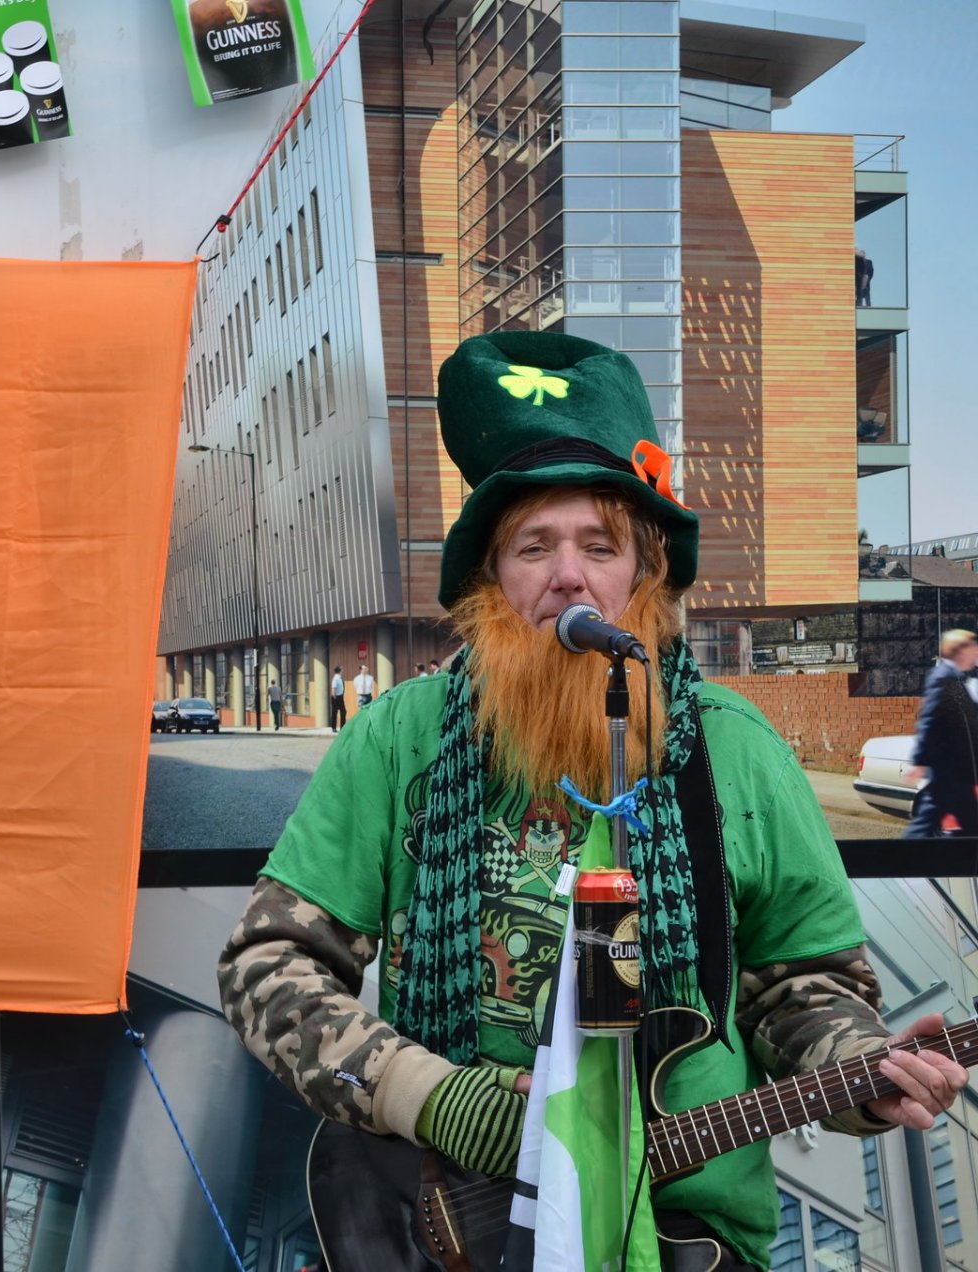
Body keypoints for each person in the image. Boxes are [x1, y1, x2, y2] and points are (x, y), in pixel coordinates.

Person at [218, 331, 966, 1269]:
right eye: (534, 545)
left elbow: (801, 986)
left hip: (691, 1232)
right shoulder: (397, 739)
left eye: (598, 545)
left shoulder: (737, 749)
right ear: (492, 580)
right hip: (443, 1225)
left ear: (643, 575)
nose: (568, 574)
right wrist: (427, 1092)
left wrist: (861, 1071)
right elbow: (267, 963)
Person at [905, 629, 978, 838]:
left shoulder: (954, 678)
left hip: (953, 772)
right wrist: (919, 760)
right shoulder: (944, 678)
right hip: (951, 771)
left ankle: (907, 863)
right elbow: (929, 720)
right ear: (960, 652)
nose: (976, 655)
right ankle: (905, 863)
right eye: (974, 650)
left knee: (927, 824)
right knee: (970, 826)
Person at [330, 666, 346, 732]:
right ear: (339, 671)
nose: (343, 670)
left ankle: (342, 727)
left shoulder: (339, 678)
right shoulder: (336, 679)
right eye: (342, 669)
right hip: (336, 697)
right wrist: (334, 697)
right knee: (335, 712)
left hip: (340, 696)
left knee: (343, 712)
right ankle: (334, 728)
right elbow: (333, 688)